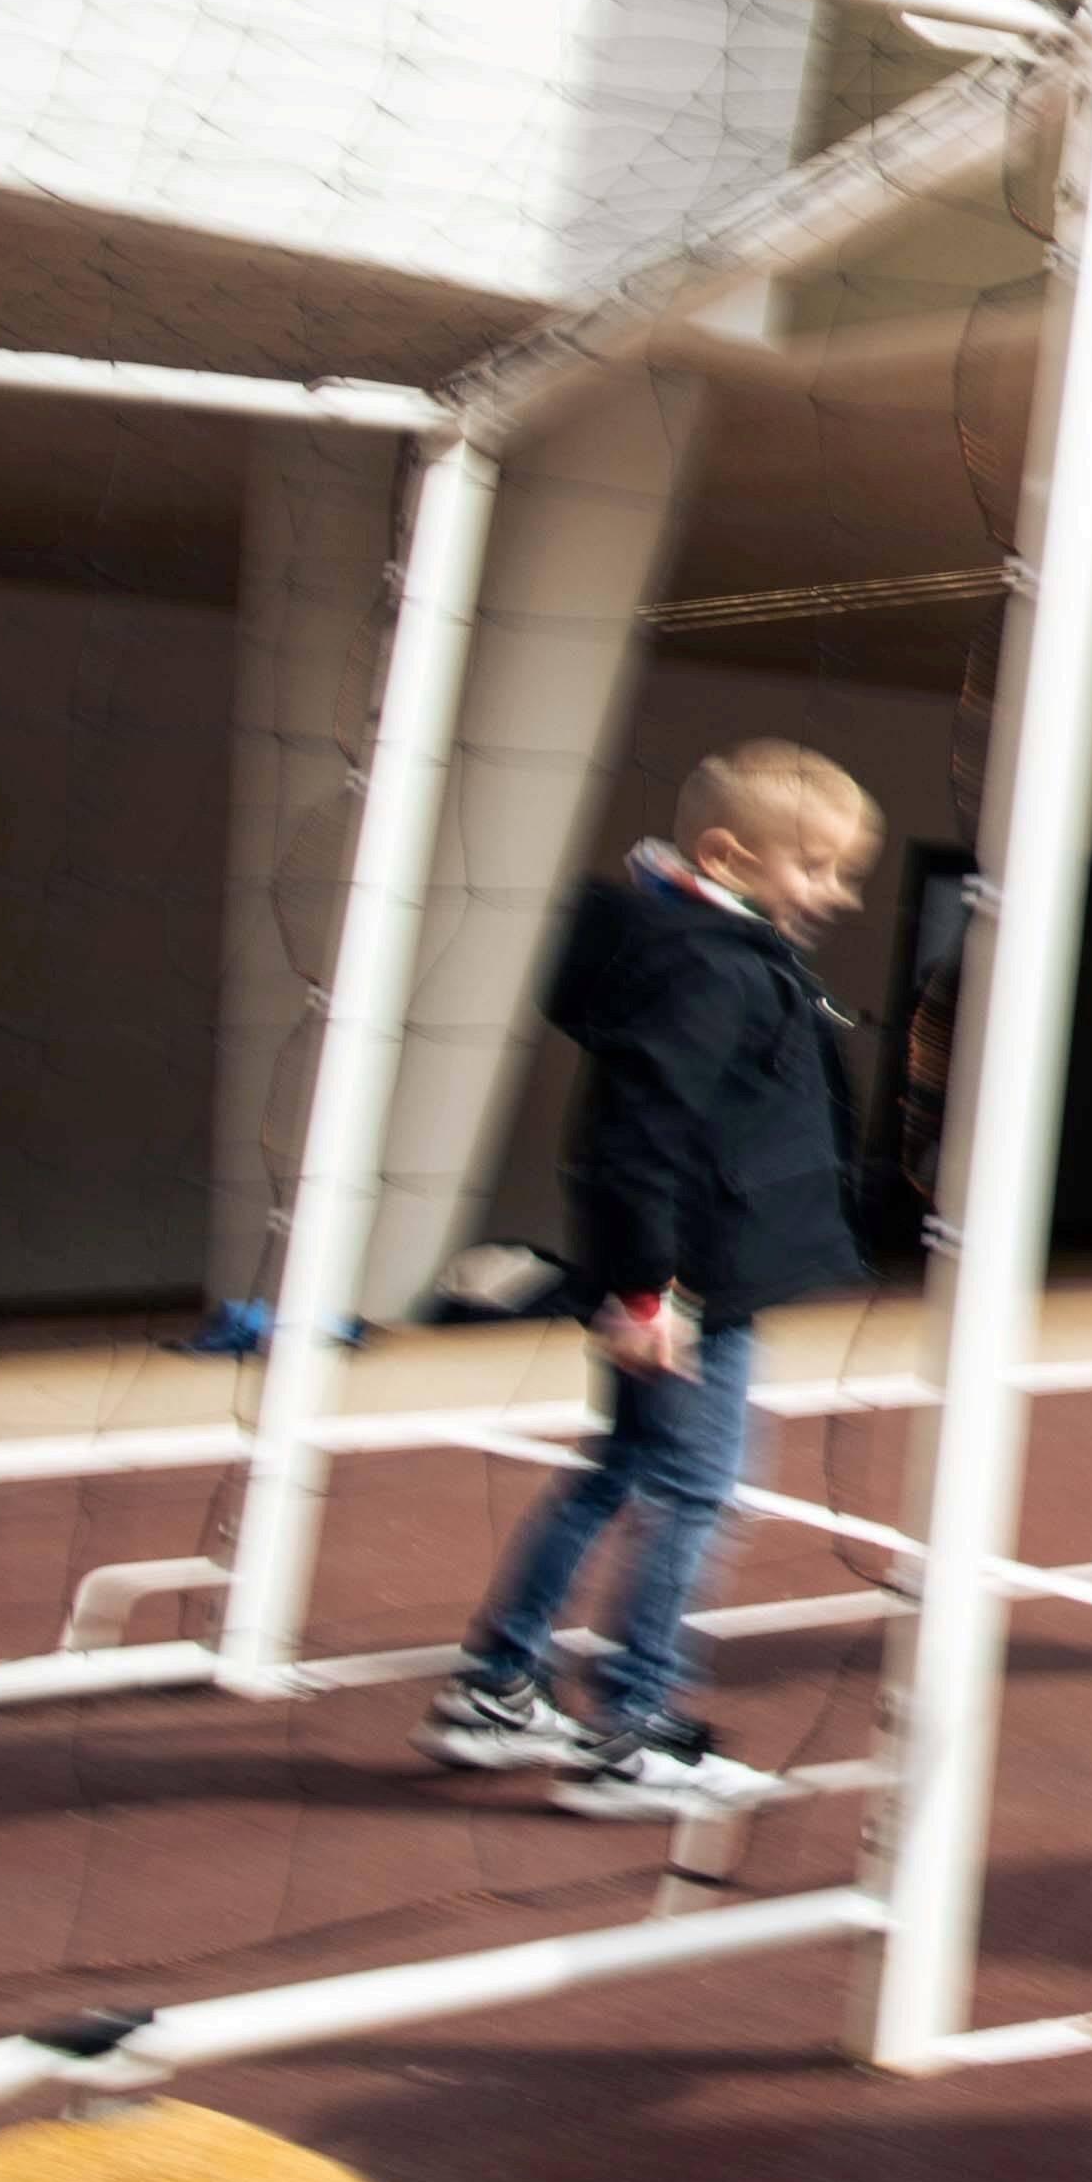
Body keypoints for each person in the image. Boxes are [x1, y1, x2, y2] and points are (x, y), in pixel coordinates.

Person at [426, 741, 884, 1818]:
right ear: (726, 856)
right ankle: (633, 1727)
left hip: (683, 1279)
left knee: (623, 1469)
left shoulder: (709, 950)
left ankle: (498, 1685)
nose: (837, 892)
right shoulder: (707, 966)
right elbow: (642, 1135)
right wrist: (644, 1290)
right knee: (692, 1489)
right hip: (688, 1290)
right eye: (815, 866)